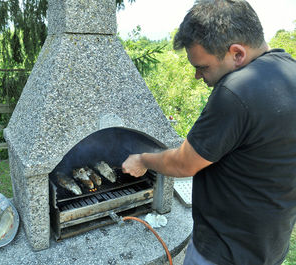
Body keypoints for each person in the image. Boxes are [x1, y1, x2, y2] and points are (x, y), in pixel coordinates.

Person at [121, 0, 296, 264]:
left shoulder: (236, 91)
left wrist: (143, 159)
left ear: (237, 54)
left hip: (224, 251)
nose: (196, 76)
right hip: (270, 245)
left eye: (202, 67)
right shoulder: (289, 71)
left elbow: (183, 164)